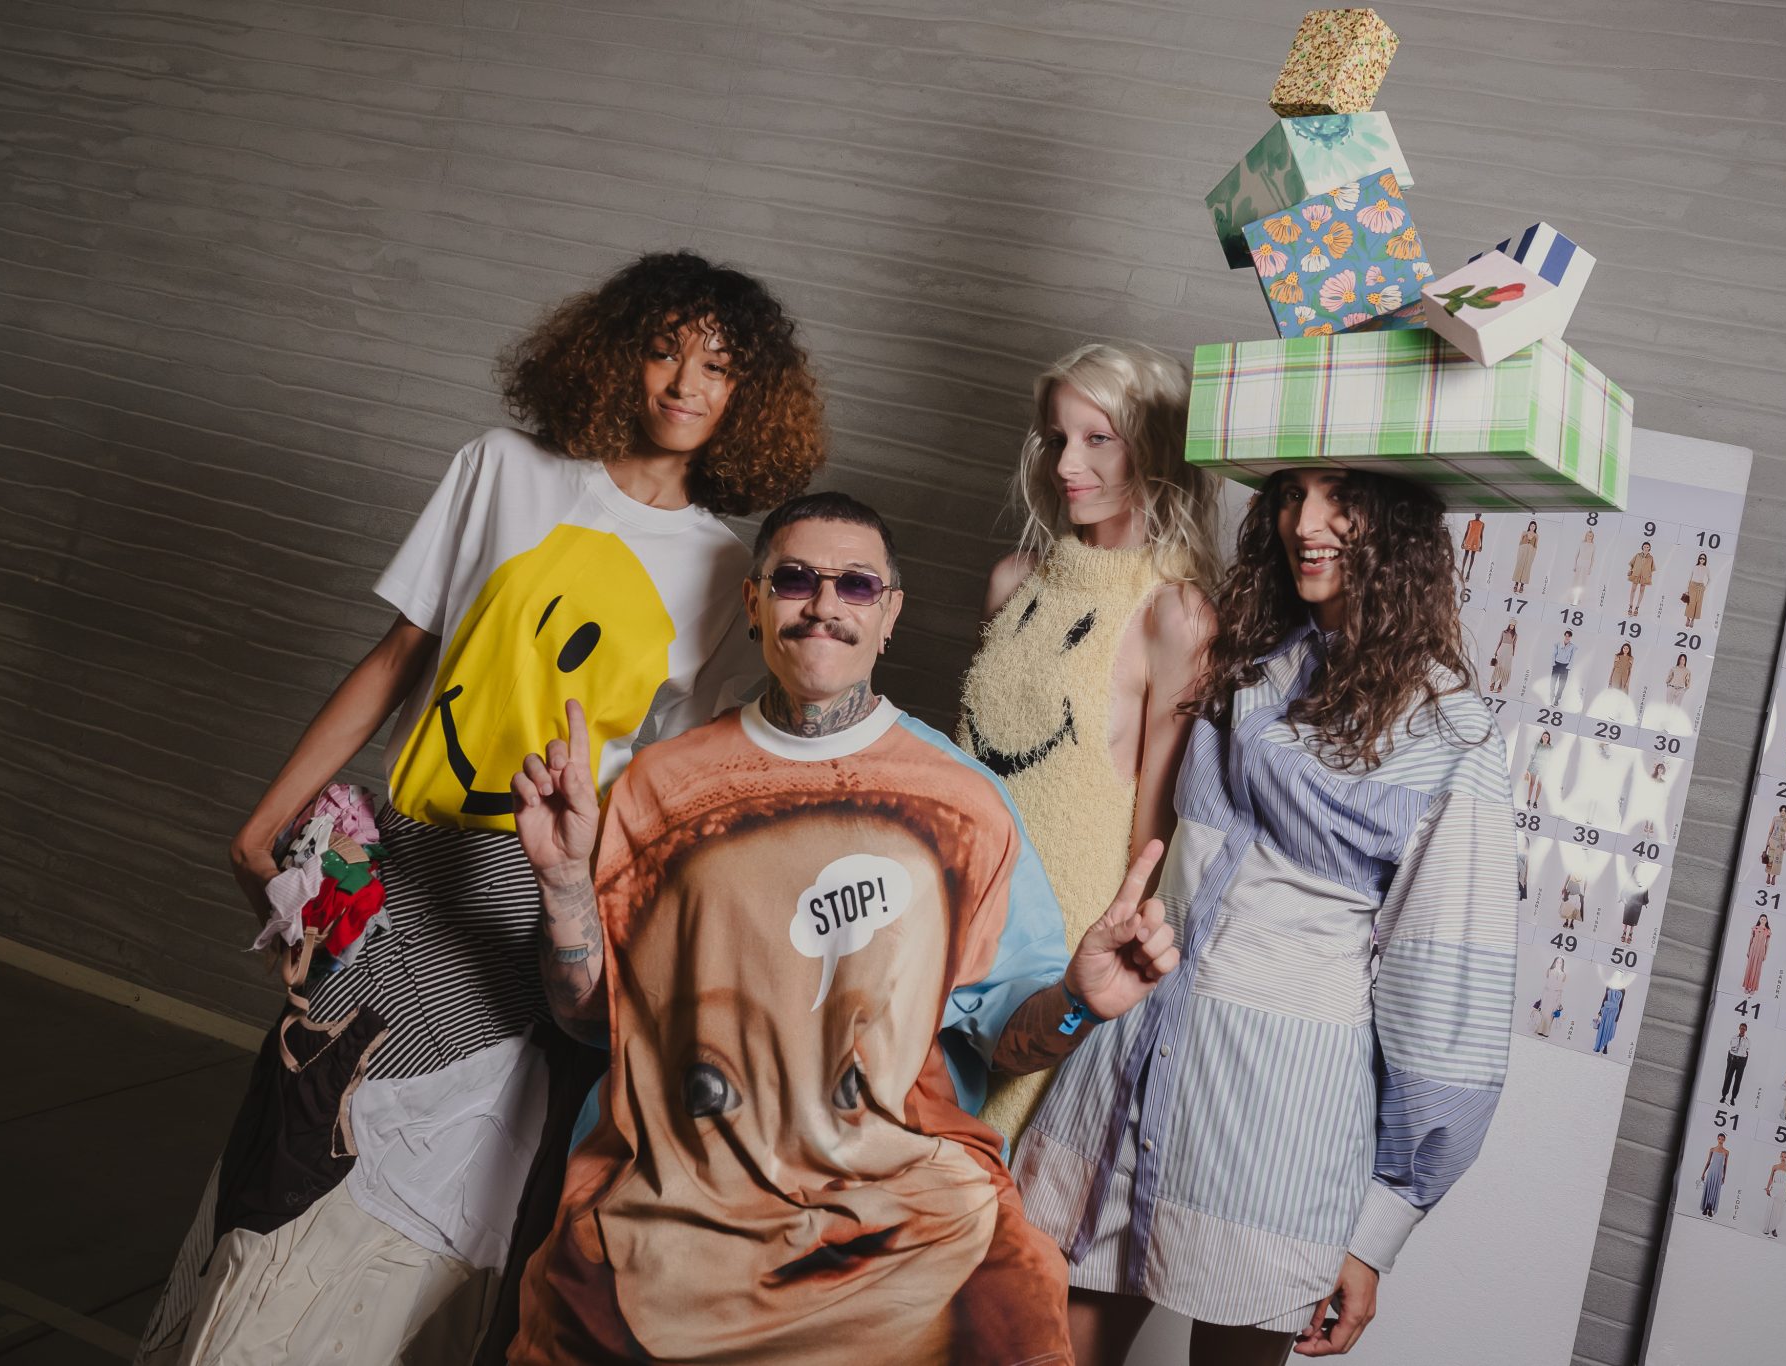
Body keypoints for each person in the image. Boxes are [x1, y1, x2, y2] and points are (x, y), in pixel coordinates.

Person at [136, 252, 828, 1365]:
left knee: (455, 1206)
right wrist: (262, 825)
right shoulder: (502, 471)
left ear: (749, 395)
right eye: (664, 351)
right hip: (399, 868)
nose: (685, 384)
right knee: (301, 1144)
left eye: (717, 366)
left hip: (533, 914)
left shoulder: (723, 573)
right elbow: (397, 657)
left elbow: (663, 791)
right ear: (616, 355)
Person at [503, 493, 1182, 1364]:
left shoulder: (963, 804)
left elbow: (1011, 1043)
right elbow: (590, 1022)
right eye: (795, 579)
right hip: (678, 1201)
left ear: (889, 614)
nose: (825, 604)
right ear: (754, 602)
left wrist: (1079, 999)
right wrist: (564, 884)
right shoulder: (656, 788)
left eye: (856, 585)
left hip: (896, 1207)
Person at [1014, 470, 1517, 1365]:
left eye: (1340, 498)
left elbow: (1446, 1003)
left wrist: (1378, 1229)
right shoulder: (1240, 660)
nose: (1304, 524)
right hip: (1123, 1072)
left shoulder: (1450, 737)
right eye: (1290, 495)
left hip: (1271, 1124)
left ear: (1397, 519)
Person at [959, 344, 1221, 1144]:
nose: (1067, 464)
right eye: (1057, 438)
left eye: (1097, 438)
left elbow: (1156, 834)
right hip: (955, 891)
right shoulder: (1014, 582)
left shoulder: (1175, 615)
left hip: (1064, 926)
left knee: (985, 1160)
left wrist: (1102, 973)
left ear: (1156, 447)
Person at [1761, 1151, 1786, 1238]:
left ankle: (1774, 1228)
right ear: (1780, 1157)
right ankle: (1767, 1227)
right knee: (1770, 1208)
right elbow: (1771, 1179)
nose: (1783, 1158)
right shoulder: (1775, 1167)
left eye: (1785, 1157)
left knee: (1778, 1210)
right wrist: (1767, 1188)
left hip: (1783, 1191)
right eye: (1782, 1156)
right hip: (1774, 1189)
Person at [1717, 1023, 1750, 1105]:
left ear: (1746, 1030)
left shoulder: (1747, 1040)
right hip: (1732, 1059)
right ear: (1739, 1028)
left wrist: (1743, 1061)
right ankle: (1724, 1096)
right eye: (1741, 1028)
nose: (1742, 1030)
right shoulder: (1734, 1037)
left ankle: (1733, 1098)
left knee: (1738, 1080)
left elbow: (1747, 1051)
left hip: (1741, 1061)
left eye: (1744, 1029)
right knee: (1728, 1077)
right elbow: (1732, 1048)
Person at [1524, 729, 1557, 810]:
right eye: (1544, 736)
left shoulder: (1550, 748)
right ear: (1542, 737)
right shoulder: (1537, 745)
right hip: (1534, 765)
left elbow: (1550, 759)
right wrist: (1528, 768)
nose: (1545, 738)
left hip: (1543, 767)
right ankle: (1528, 800)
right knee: (1532, 783)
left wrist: (1549, 769)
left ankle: (1535, 801)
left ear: (1549, 738)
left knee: (1539, 785)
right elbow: (1533, 756)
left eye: (1547, 737)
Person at [1697, 1134, 1729, 1217]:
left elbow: (1725, 1165)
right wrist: (1703, 1173)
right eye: (1719, 1138)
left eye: (1722, 1139)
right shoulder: (1712, 1149)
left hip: (1719, 1173)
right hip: (1711, 1172)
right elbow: (1708, 1162)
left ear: (1724, 1140)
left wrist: (1724, 1177)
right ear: (1717, 1139)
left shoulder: (1726, 1152)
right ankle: (1706, 1207)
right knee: (1709, 1188)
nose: (1721, 1140)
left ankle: (1710, 1207)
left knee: (1715, 1190)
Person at [1762, 805, 1786, 887]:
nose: (1783, 812)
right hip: (1773, 841)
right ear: (1780, 811)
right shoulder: (1775, 818)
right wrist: (1767, 841)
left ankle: (1774, 877)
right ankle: (1768, 875)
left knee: (1778, 861)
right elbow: (1770, 831)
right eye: (1782, 810)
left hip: (1781, 843)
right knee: (1770, 859)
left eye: (1784, 810)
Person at [1742, 914, 1773, 995]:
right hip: (1753, 949)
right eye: (1762, 919)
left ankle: (1753, 988)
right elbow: (1751, 940)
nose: (1763, 920)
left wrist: (1765, 954)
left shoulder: (1768, 931)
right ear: (1759, 919)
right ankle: (1746, 987)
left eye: (1764, 919)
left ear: (1766, 921)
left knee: (1757, 969)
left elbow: (1767, 944)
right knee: (1749, 967)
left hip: (1761, 951)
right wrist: (1748, 950)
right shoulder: (1754, 928)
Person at [1624, 541, 1655, 617]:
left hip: (1645, 576)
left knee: (1642, 590)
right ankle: (1630, 606)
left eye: (1647, 547)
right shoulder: (1637, 555)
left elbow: (1652, 568)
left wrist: (1649, 576)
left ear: (1649, 548)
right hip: (1636, 574)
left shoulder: (1651, 558)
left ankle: (1637, 607)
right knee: (1633, 589)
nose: (1646, 548)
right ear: (1642, 547)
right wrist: (1630, 570)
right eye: (1645, 547)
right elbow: (1632, 564)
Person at [1538, 957, 1567, 1037]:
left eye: (1560, 962)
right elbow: (1547, 983)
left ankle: (1546, 1032)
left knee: (1551, 1014)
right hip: (1547, 993)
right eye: (1557, 962)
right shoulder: (1549, 970)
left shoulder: (1563, 974)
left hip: (1556, 995)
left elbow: (1561, 987)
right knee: (1544, 1012)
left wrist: (1559, 1000)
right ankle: (1540, 1030)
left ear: (1562, 964)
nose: (1558, 964)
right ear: (1554, 962)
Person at [1681, 552, 1711, 628]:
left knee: (1698, 604)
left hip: (1700, 588)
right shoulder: (1695, 567)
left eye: (1703, 558)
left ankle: (1693, 620)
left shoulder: (1706, 568)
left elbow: (1710, 579)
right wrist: (1687, 589)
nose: (1702, 559)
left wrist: (1705, 587)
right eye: (1700, 558)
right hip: (1692, 586)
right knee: (1690, 603)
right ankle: (1687, 619)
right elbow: (1690, 578)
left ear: (1705, 560)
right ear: (1698, 559)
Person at [1488, 621, 1518, 694]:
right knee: (1498, 666)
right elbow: (1500, 641)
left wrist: (1513, 653)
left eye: (1513, 625)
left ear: (1514, 626)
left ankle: (1500, 685)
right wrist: (1496, 651)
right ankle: (1493, 683)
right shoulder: (1503, 632)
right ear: (1509, 625)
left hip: (1509, 651)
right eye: (1511, 625)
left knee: (1506, 668)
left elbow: (1514, 644)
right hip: (1502, 649)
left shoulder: (1515, 635)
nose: (1512, 626)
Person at [1569, 527, 1596, 603]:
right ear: (1586, 535)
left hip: (1586, 565)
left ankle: (1579, 598)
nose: (1589, 537)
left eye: (1591, 536)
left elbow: (1593, 558)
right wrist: (1575, 566)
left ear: (1592, 537)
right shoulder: (1581, 543)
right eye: (1588, 535)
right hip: (1579, 563)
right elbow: (1577, 555)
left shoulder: (1593, 546)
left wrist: (1590, 569)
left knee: (1583, 582)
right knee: (1575, 580)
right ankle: (1572, 596)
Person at [1550, 630, 1576, 706]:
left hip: (1565, 667)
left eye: (1569, 636)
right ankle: (1551, 696)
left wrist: (1569, 667)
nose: (1567, 637)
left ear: (1571, 637)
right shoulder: (1558, 644)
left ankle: (1557, 700)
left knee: (1562, 685)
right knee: (1552, 682)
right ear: (1564, 636)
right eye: (1566, 635)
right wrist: (1553, 664)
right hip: (1557, 665)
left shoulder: (1572, 647)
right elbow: (1554, 654)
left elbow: (1572, 657)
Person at [1511, 519, 1538, 593]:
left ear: (1535, 527)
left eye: (1534, 526)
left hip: (1530, 552)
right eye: (1531, 526)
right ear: (1529, 526)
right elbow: (1520, 542)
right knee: (1519, 565)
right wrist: (1520, 550)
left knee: (1527, 567)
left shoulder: (1536, 535)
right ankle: (1516, 584)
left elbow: (1535, 546)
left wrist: (1532, 555)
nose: (1532, 527)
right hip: (1522, 550)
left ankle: (1522, 585)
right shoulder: (1524, 532)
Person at [1460, 513, 1485, 580]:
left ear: (1480, 515)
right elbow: (1466, 532)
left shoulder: (1482, 524)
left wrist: (1481, 545)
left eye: (1479, 514)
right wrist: (1463, 542)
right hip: (1468, 539)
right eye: (1477, 514)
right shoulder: (1470, 522)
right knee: (1466, 554)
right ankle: (1462, 570)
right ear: (1475, 514)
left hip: (1476, 541)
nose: (1478, 515)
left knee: (1472, 556)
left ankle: (1468, 572)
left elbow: (1481, 534)